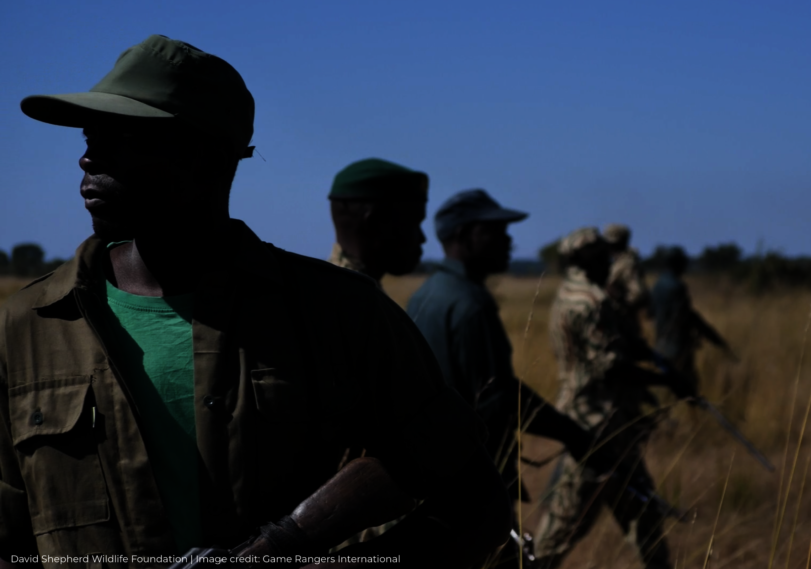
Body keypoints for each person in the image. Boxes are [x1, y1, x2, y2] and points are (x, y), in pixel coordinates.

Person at [0, 35, 510, 566]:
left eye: (123, 137)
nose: (87, 157)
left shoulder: (340, 313)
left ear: (209, 161)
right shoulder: (27, 327)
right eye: (89, 136)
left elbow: (476, 506)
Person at [405, 190, 606, 567]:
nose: (508, 240)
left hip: (435, 476)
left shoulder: (426, 294)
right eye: (495, 230)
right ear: (464, 236)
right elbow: (498, 396)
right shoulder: (471, 303)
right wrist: (574, 434)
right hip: (476, 481)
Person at [534, 228, 695, 569]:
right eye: (597, 253)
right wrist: (669, 380)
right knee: (563, 524)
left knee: (640, 509)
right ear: (580, 258)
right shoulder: (592, 300)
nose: (607, 258)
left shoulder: (570, 292)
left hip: (598, 419)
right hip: (597, 421)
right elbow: (612, 368)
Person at [327, 158, 428, 286]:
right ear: (375, 224)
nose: (422, 238)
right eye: (413, 225)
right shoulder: (349, 297)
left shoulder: (335, 287)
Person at [650, 247, 737, 393]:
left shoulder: (657, 285)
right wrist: (715, 339)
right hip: (677, 346)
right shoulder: (677, 287)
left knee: (666, 387)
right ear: (677, 264)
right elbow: (688, 316)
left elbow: (651, 313)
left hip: (660, 345)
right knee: (689, 389)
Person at [602, 224, 650, 340]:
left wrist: (618, 298)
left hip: (623, 327)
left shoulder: (627, 264)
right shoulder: (619, 263)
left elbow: (638, 294)